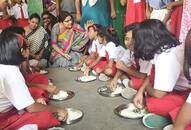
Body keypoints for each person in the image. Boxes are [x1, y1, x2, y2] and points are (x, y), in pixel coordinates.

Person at [0, 31, 68, 130]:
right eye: (27, 47)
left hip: (9, 107)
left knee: (39, 87)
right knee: (46, 117)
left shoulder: (7, 66)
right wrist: (58, 109)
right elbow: (32, 108)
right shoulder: (11, 72)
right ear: (21, 51)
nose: (29, 50)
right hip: (3, 118)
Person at [109, 23, 151, 98]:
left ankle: (129, 86)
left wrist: (124, 68)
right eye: (126, 39)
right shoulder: (129, 51)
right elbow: (122, 64)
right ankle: (129, 86)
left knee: (133, 83)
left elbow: (144, 75)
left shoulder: (145, 53)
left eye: (133, 39)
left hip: (146, 77)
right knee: (119, 72)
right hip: (136, 73)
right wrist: (115, 78)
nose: (129, 42)